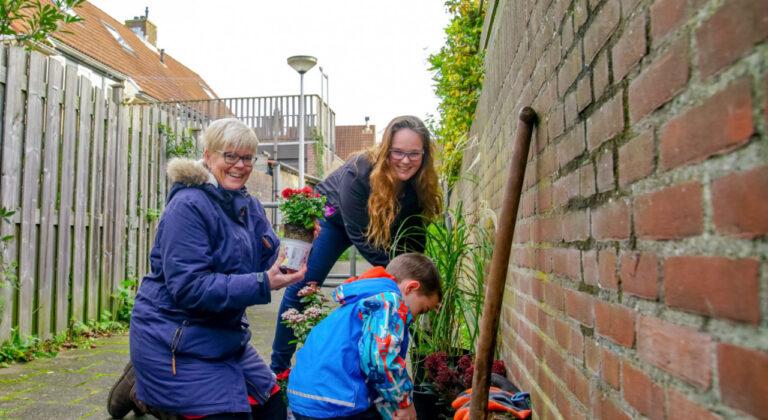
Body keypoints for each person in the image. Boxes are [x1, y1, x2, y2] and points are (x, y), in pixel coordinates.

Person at [106, 118, 306, 419]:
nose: (240, 165)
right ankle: (142, 391)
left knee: (274, 410)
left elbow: (269, 256)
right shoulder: (188, 206)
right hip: (174, 337)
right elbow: (190, 288)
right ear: (209, 155)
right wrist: (263, 282)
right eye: (230, 156)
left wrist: (296, 249)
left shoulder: (248, 206)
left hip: (223, 337)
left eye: (247, 158)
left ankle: (149, 386)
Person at [270, 115, 442, 374]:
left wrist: (421, 281)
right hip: (334, 219)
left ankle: (420, 366)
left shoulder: (420, 184)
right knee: (302, 285)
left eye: (414, 154)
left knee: (410, 292)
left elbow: (414, 237)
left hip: (372, 223)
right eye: (398, 152)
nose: (406, 160)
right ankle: (278, 369)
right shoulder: (358, 171)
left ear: (424, 155)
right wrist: (396, 275)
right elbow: (358, 234)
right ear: (386, 150)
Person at [287, 253, 442, 420]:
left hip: (303, 398)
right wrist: (404, 402)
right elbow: (381, 358)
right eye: (422, 310)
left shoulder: (361, 299)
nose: (415, 318)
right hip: (338, 401)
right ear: (411, 288)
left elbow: (374, 373)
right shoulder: (388, 301)